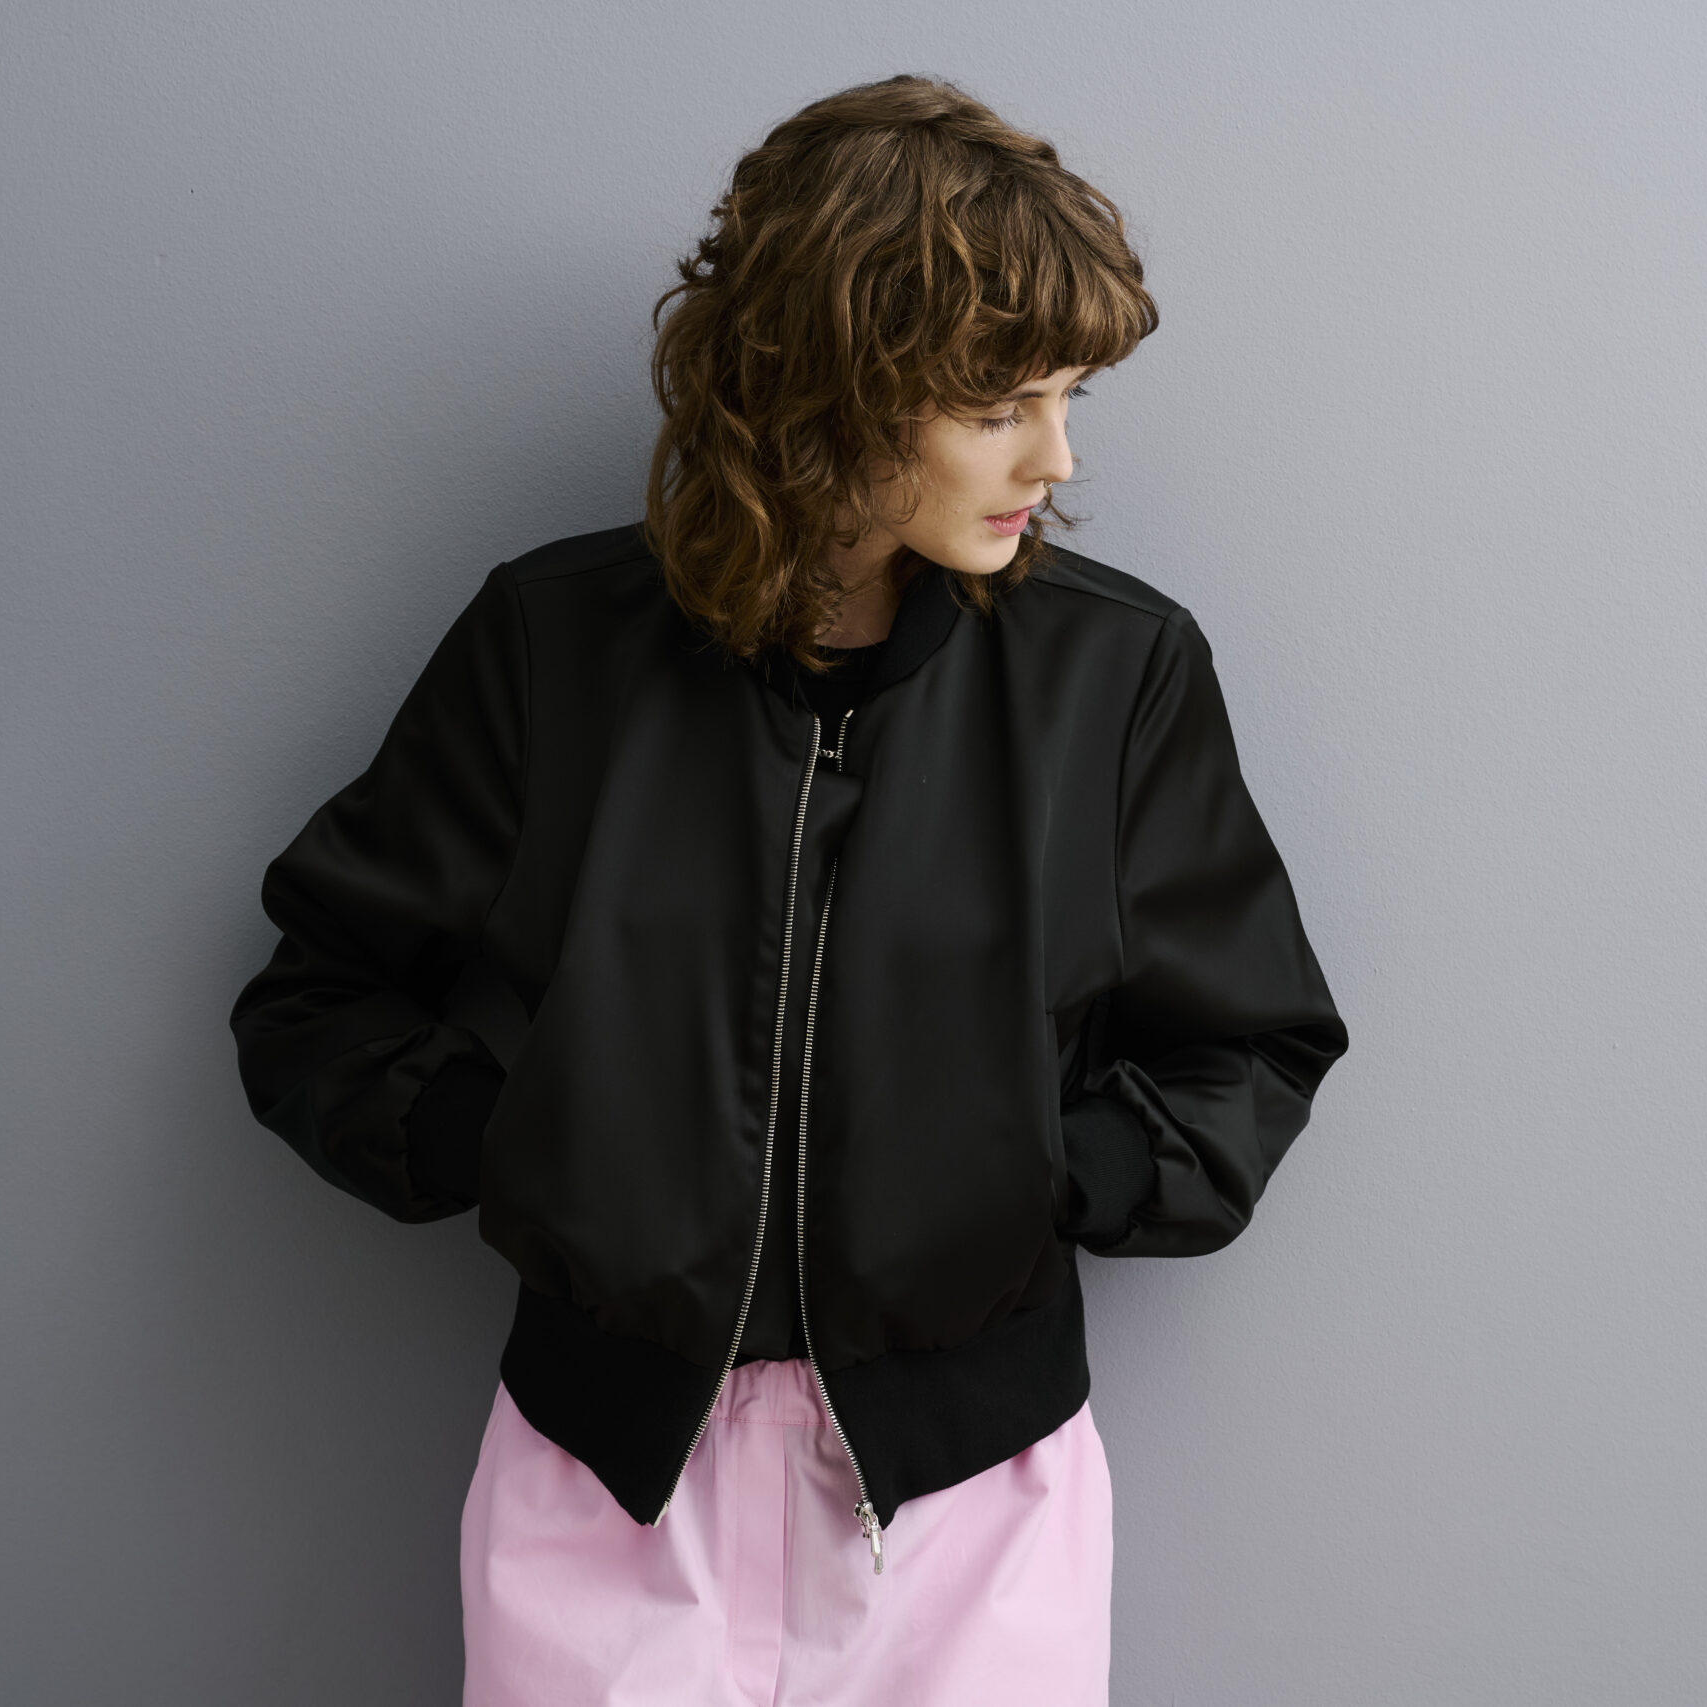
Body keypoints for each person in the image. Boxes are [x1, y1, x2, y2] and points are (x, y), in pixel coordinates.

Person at [229, 73, 1346, 1707]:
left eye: (1067, 396)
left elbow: (1251, 1045)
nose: (1056, 456)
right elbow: (317, 998)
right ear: (836, 384)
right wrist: (532, 1150)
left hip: (972, 1500)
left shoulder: (1116, 678)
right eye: (1002, 405)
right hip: (604, 1480)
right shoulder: (555, 650)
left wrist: (1037, 1174)